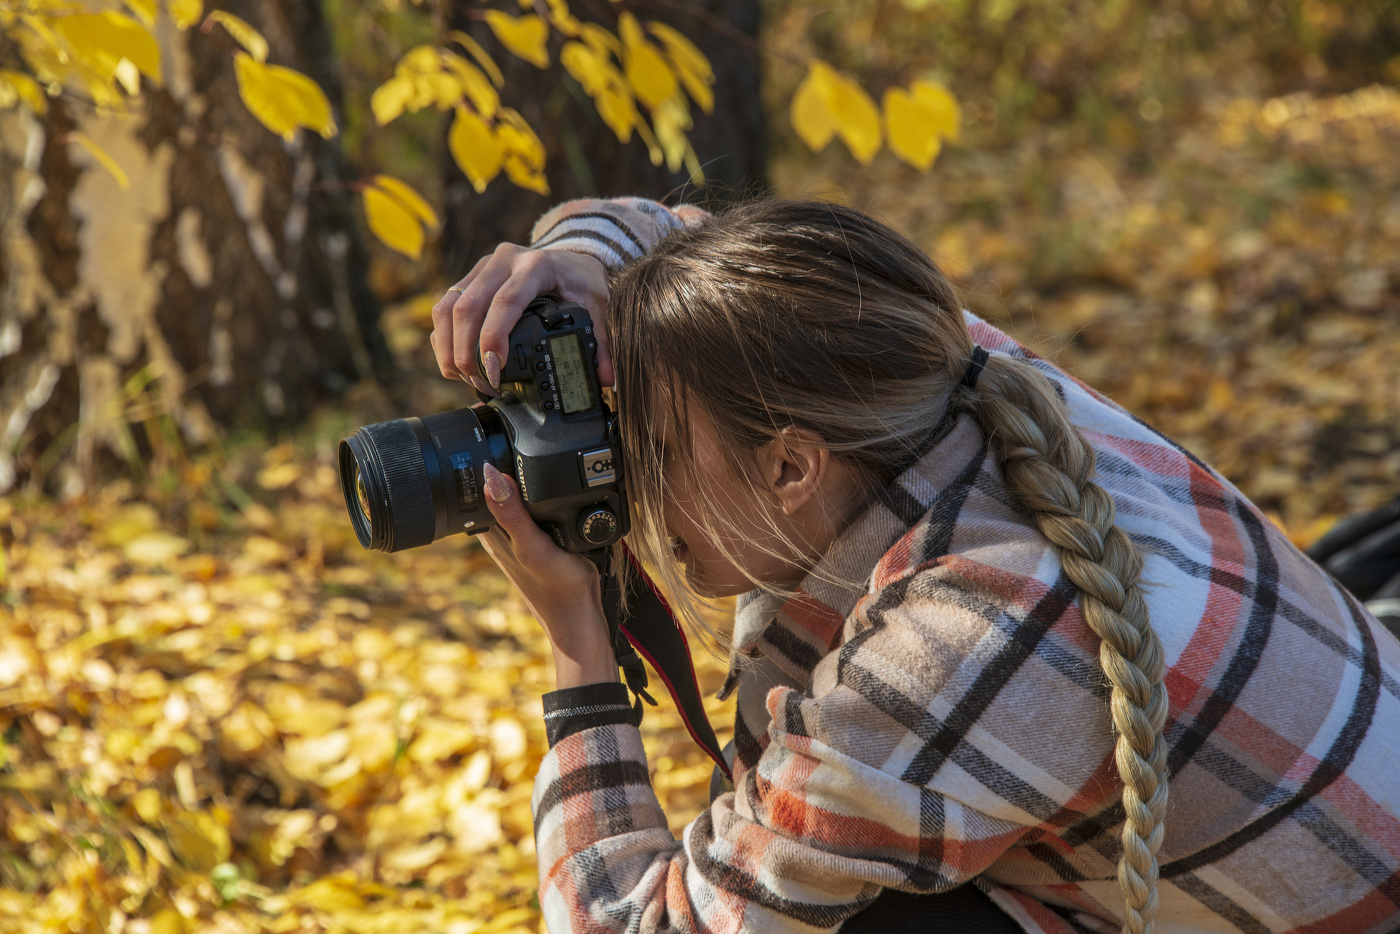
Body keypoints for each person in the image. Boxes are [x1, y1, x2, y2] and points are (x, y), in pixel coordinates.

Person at [428, 197, 1400, 934]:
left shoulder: (947, 643)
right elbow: (682, 241)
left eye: (655, 447)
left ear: (789, 466)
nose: (631, 484)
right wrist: (575, 263)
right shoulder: (918, 364)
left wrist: (577, 648)